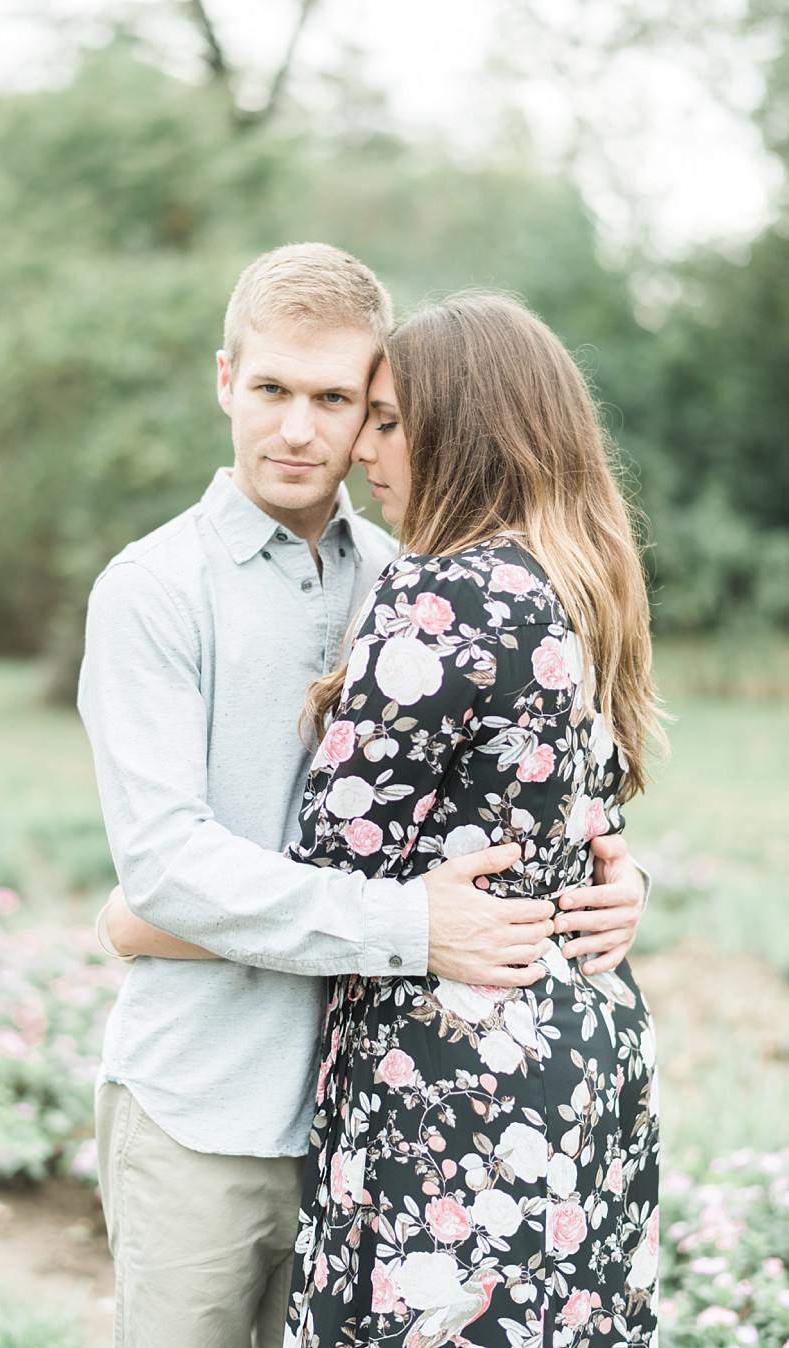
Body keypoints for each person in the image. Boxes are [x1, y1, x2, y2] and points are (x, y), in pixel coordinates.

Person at [79, 245, 649, 1348]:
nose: (299, 428)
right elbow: (166, 867)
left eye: (336, 399)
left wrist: (612, 886)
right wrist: (411, 925)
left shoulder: (413, 579)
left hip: (379, 1121)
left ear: (377, 406)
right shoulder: (153, 591)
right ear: (224, 381)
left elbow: (522, 789)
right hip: (208, 1103)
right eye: (272, 390)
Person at [276, 293, 666, 1345]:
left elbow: (323, 864)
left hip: (452, 1067)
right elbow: (595, 818)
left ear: (468, 430)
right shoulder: (581, 586)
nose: (363, 448)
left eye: (392, 420)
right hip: (584, 1042)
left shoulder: (442, 597)